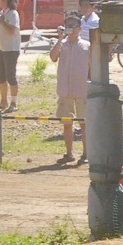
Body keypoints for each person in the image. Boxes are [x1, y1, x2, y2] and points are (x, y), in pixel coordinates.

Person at [49, 13, 91, 165]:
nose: (72, 29)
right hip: (65, 89)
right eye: (69, 26)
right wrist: (60, 39)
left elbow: (92, 66)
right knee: (67, 123)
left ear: (80, 28)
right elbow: (53, 57)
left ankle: (86, 153)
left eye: (74, 26)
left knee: (84, 123)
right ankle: (69, 153)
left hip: (82, 89)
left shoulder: (87, 46)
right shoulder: (62, 44)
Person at [0, 0, 21, 113]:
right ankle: (3, 101)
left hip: (11, 49)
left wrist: (3, 21)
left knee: (11, 76)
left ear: (6, 0)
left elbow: (11, 31)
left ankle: (13, 103)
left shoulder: (13, 14)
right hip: (1, 49)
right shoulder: (2, 13)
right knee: (1, 76)